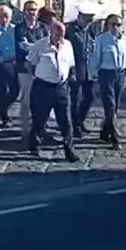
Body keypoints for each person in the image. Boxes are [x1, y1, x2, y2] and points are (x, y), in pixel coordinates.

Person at [25, 15, 79, 162]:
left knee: (66, 121)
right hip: (43, 87)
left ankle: (69, 149)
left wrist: (72, 75)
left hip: (61, 87)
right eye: (57, 34)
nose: (59, 37)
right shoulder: (40, 45)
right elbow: (29, 63)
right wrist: (35, 76)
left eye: (62, 34)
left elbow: (71, 63)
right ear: (50, 31)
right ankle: (34, 143)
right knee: (39, 119)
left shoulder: (67, 45)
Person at [94, 14, 126, 148]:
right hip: (106, 74)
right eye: (113, 24)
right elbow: (96, 57)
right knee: (109, 106)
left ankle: (105, 131)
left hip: (120, 74)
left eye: (118, 25)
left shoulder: (124, 39)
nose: (116, 27)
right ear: (107, 25)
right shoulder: (102, 39)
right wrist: (93, 74)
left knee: (115, 107)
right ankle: (115, 137)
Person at [14, 0, 46, 131]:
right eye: (29, 10)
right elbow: (23, 46)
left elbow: (46, 44)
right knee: (26, 99)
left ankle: (40, 127)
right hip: (24, 68)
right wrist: (38, 47)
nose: (32, 13)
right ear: (24, 11)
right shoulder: (19, 28)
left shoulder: (42, 28)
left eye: (34, 10)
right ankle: (26, 128)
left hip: (41, 68)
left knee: (41, 100)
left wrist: (35, 47)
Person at [65, 7, 98, 137]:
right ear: (79, 17)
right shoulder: (70, 31)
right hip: (75, 69)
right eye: (86, 19)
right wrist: (69, 72)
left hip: (88, 69)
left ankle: (80, 120)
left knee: (90, 96)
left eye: (90, 20)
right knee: (74, 99)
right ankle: (74, 126)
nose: (88, 22)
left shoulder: (90, 30)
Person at [0, 5, 19, 124]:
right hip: (0, 65)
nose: (3, 19)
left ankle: (2, 109)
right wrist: (1, 59)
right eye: (0, 17)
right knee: (0, 91)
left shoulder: (15, 30)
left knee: (15, 90)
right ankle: (5, 116)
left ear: (10, 17)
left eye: (6, 17)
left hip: (14, 64)